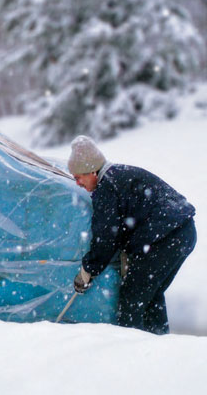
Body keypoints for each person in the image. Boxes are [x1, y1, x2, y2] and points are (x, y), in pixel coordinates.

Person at [68, 135, 196, 335]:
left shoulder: (106, 188)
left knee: (131, 303)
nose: (77, 183)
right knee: (151, 296)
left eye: (78, 177)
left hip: (165, 239)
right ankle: (160, 347)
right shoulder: (120, 175)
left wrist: (88, 270)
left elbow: (106, 237)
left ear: (92, 171)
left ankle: (129, 353)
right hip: (184, 232)